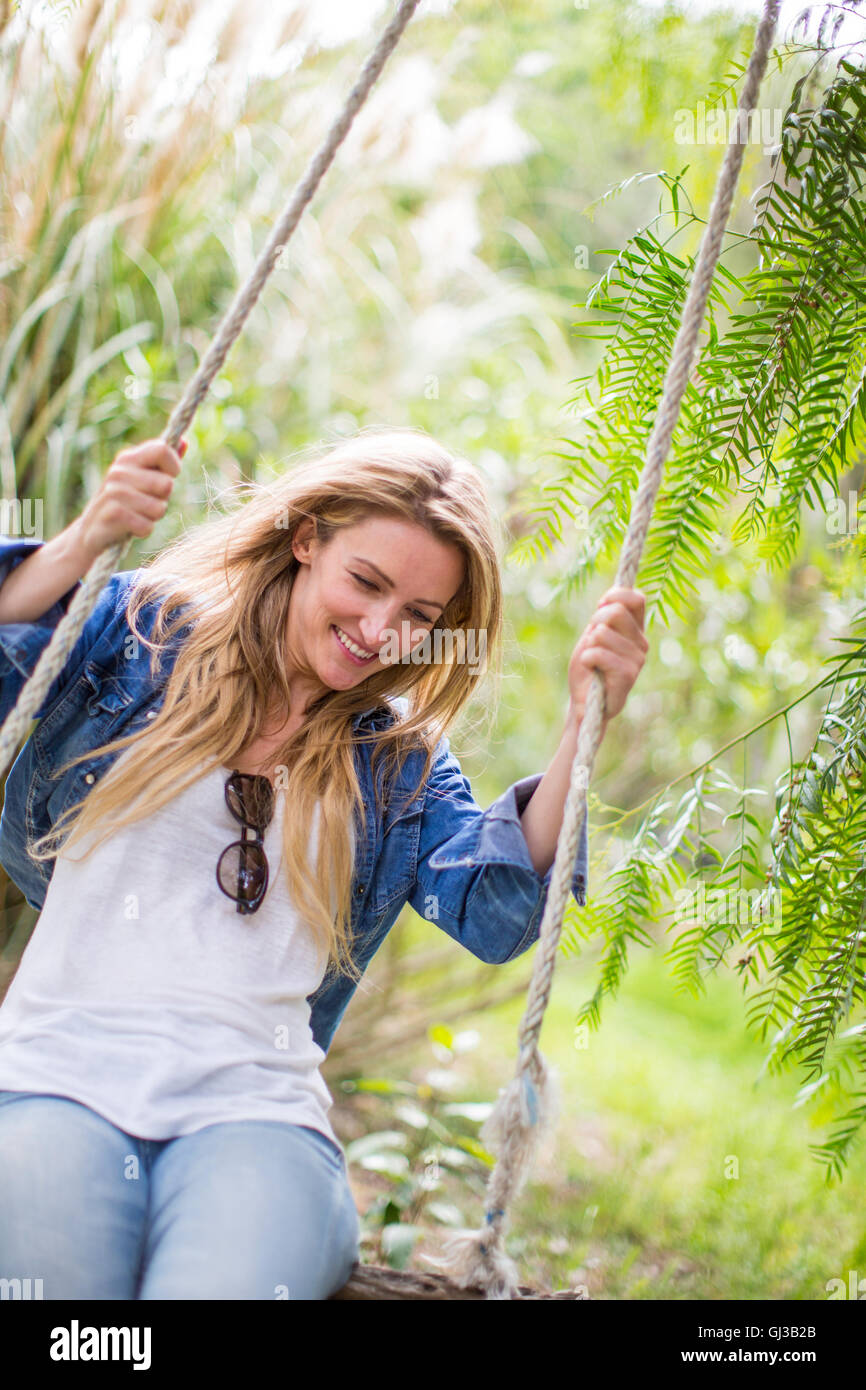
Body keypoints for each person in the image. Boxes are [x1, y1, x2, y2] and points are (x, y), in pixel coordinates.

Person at [0, 426, 648, 1300]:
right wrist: (84, 539)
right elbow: (16, 647)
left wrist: (580, 726)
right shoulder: (136, 637)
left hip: (256, 1116)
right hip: (54, 1076)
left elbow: (496, 911)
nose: (380, 631)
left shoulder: (399, 759)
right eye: (366, 583)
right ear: (306, 539)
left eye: (418, 616)